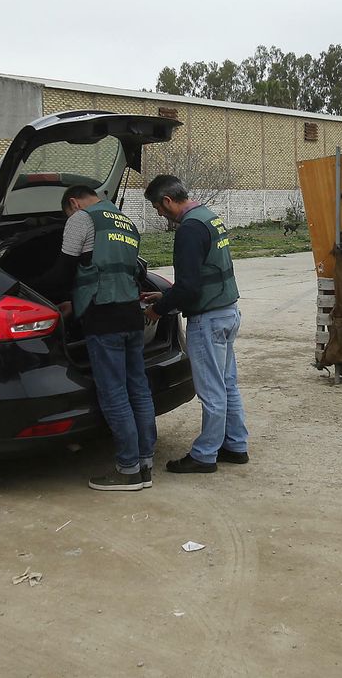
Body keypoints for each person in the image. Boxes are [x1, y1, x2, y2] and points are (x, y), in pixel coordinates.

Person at [42, 185, 156, 491]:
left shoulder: (81, 219)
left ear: (74, 203)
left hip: (103, 317)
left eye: (67, 212)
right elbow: (127, 270)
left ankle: (128, 470)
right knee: (139, 389)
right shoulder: (125, 221)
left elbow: (63, 271)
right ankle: (144, 464)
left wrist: (25, 287)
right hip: (131, 315)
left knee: (114, 393)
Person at [141, 175, 249, 474]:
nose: (160, 214)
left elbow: (188, 288)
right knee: (227, 384)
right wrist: (166, 294)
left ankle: (205, 455)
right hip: (227, 312)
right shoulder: (208, 217)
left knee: (212, 390)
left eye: (157, 208)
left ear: (167, 201)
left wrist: (158, 310)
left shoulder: (189, 229)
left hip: (208, 319)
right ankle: (235, 445)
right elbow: (203, 274)